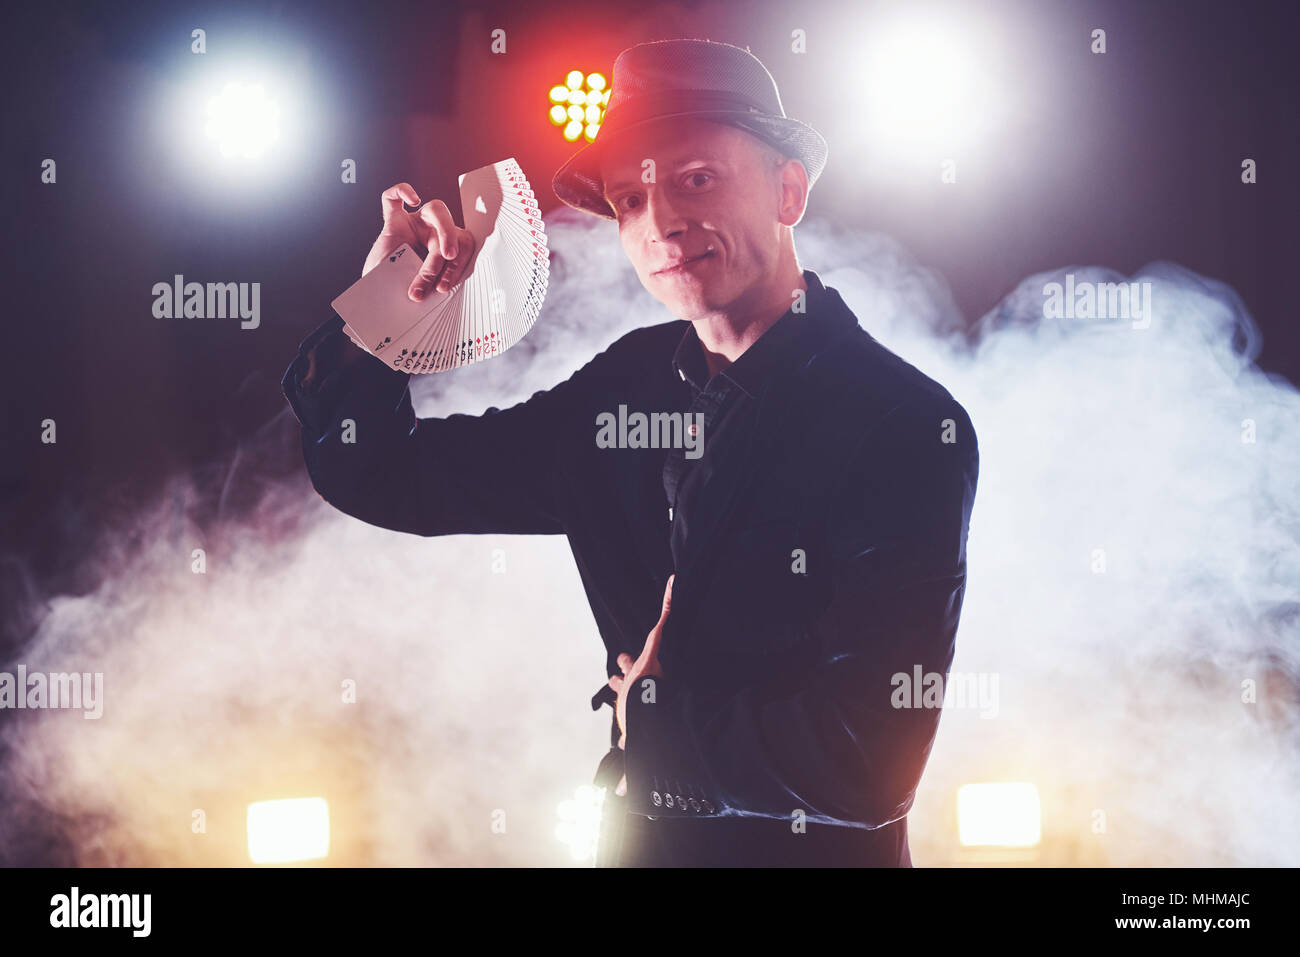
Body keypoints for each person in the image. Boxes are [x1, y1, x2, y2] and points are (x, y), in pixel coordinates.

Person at [282, 38, 979, 867]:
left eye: (695, 180)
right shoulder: (625, 387)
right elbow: (386, 475)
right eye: (630, 199)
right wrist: (387, 306)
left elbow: (869, 763)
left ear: (788, 190)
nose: (664, 224)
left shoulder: (902, 422)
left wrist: (651, 722)